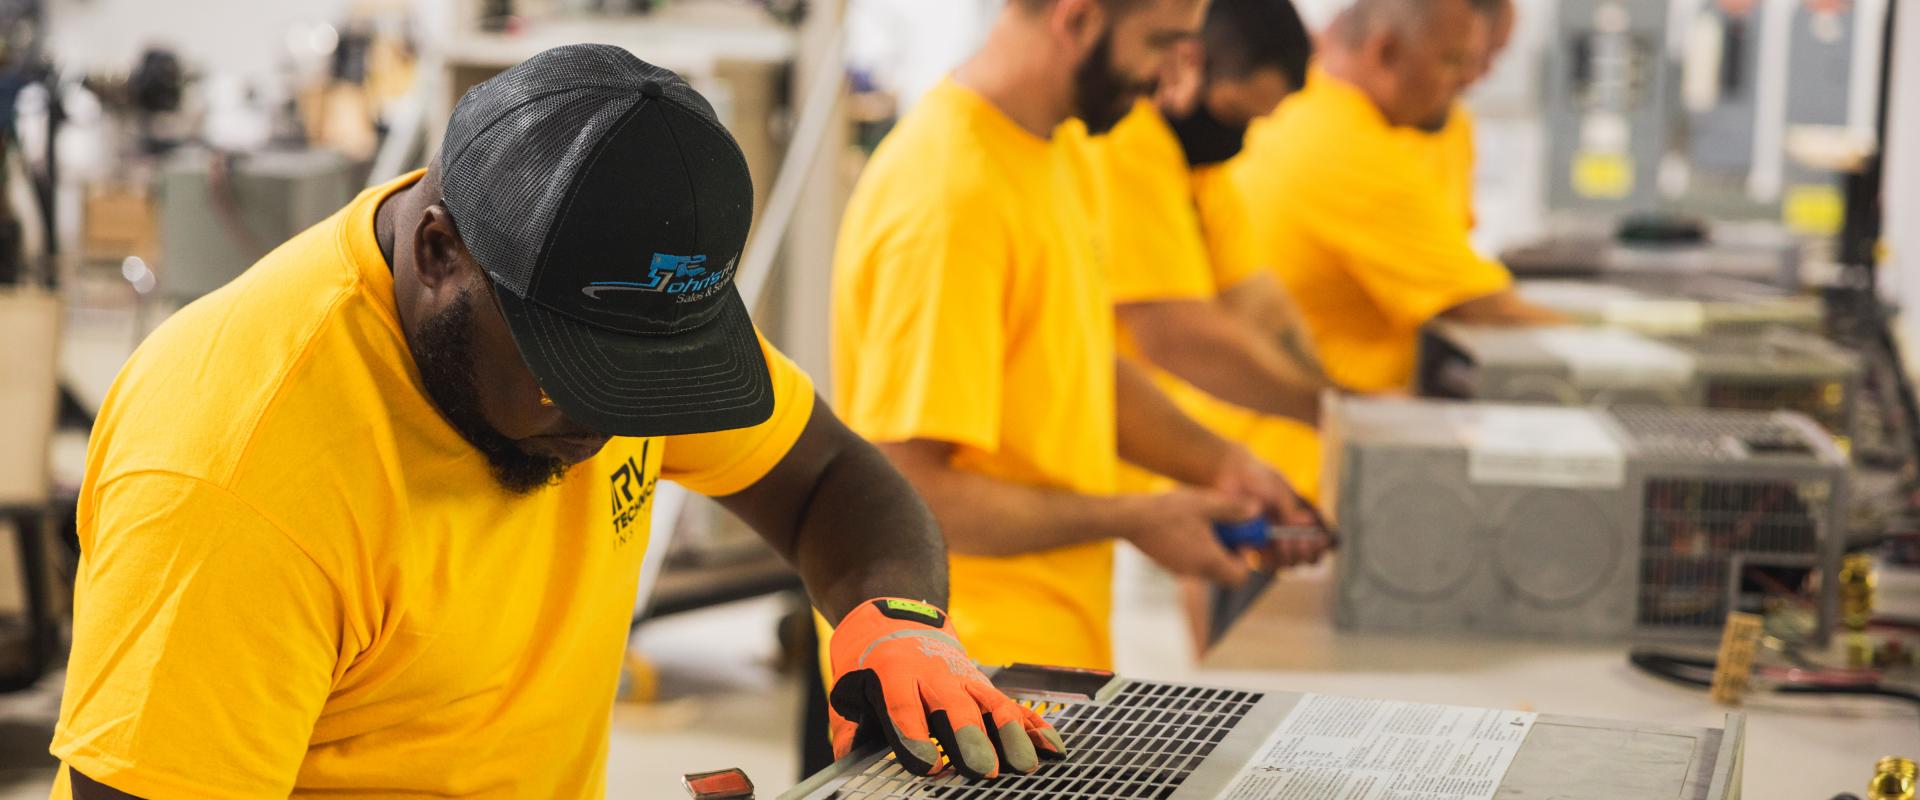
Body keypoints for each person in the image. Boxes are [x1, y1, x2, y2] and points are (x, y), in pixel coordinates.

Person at [52, 45, 1060, 799]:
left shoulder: (598, 332)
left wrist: (897, 620)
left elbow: (833, 474)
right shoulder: (236, 473)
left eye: (648, 380)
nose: (617, 421)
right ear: (441, 253)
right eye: (578, 372)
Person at [830, 0, 1325, 682]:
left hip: (1048, 651)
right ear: (1076, 20)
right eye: (1161, 45)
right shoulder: (951, 202)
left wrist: (1219, 465)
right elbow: (907, 492)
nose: (1173, 82)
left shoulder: (1056, 146)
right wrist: (1134, 517)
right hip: (961, 675)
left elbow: (1081, 366)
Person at [1231, 0, 1562, 395]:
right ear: (1385, 52)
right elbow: (1482, 305)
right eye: (1452, 61)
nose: (1470, 80)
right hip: (1302, 440)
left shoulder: (1314, 110)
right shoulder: (1348, 150)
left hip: (1313, 413)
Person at [1099, 0, 1330, 506]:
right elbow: (1177, 336)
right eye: (1230, 112)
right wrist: (1325, 410)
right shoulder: (1129, 143)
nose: (1237, 137)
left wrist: (1333, 396)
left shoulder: (1198, 160)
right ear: (1185, 61)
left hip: (1117, 468)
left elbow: (1258, 302)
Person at [1405, 0, 1516, 229]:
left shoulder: (1458, 123)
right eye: (1483, 54)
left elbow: (1458, 230)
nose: (1478, 74)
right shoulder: (1369, 121)